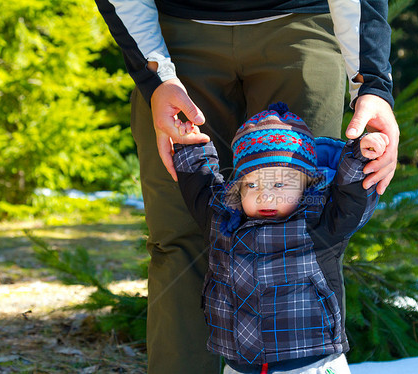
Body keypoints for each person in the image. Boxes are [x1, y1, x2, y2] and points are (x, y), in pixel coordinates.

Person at [94, 1, 399, 372]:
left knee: (307, 226)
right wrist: (156, 77)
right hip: (175, 30)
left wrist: (372, 83)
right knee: (181, 239)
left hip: (302, 25)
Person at [172, 102, 388, 373]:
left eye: (279, 184)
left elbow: (352, 198)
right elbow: (199, 185)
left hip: (309, 361)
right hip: (241, 365)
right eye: (251, 184)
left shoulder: (319, 223)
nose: (265, 195)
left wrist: (360, 157)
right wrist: (189, 147)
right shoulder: (223, 219)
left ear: (307, 184)